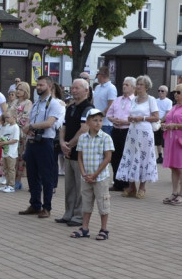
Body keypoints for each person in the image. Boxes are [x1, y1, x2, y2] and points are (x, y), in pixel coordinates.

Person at [17, 76, 64, 219]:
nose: (38, 87)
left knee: (46, 177)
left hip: (45, 142)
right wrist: (28, 129)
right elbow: (32, 121)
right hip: (32, 141)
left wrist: (30, 126)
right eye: (37, 85)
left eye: (41, 85)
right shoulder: (37, 103)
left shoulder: (54, 104)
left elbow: (49, 123)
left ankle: (47, 207)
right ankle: (35, 204)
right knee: (32, 175)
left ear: (49, 86)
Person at [70, 108, 114, 240]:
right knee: (86, 202)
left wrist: (95, 174)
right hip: (87, 177)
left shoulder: (105, 138)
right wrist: (83, 173)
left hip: (100, 177)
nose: (98, 123)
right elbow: (80, 157)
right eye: (95, 120)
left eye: (100, 120)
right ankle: (84, 228)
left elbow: (108, 158)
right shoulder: (83, 138)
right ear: (88, 122)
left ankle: (104, 229)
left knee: (103, 202)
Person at [116, 75, 160, 199]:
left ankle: (142, 187)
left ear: (146, 86)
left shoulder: (151, 99)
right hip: (133, 132)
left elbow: (156, 117)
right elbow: (132, 115)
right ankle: (131, 186)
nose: (138, 86)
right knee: (130, 157)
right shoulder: (134, 99)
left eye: (140, 84)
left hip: (145, 133)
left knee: (143, 157)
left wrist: (142, 118)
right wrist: (130, 119)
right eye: (137, 84)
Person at [58, 78, 94, 225]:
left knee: (80, 187)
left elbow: (84, 129)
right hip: (68, 152)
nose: (73, 91)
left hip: (81, 153)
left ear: (86, 90)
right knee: (69, 186)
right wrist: (62, 143)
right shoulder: (70, 107)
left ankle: (78, 216)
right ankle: (68, 213)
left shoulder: (88, 108)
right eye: (72, 88)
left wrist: (70, 145)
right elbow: (63, 127)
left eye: (77, 88)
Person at [159, 83, 182, 205]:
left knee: (181, 167)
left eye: (178, 92)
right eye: (174, 92)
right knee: (174, 167)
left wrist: (175, 126)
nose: (176, 94)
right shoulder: (175, 106)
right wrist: (165, 125)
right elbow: (169, 119)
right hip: (171, 140)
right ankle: (174, 193)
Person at [106, 77, 136, 192]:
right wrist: (113, 120)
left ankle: (127, 183)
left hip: (127, 131)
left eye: (127, 85)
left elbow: (137, 117)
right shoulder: (117, 99)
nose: (124, 86)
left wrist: (125, 122)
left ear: (133, 87)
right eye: (123, 84)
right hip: (115, 130)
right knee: (114, 157)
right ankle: (117, 182)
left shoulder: (135, 101)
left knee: (127, 157)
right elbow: (109, 114)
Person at [10, 82, 33, 192]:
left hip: (20, 133)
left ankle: (18, 180)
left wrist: (14, 119)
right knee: (10, 156)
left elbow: (25, 117)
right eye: (17, 89)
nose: (18, 91)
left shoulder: (28, 103)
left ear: (26, 91)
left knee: (20, 157)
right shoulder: (14, 101)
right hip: (11, 131)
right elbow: (7, 113)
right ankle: (10, 179)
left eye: (20, 89)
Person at [0, 112, 21, 193]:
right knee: (5, 169)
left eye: (8, 117)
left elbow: (15, 140)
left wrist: (4, 143)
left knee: (11, 169)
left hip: (12, 152)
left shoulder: (15, 127)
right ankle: (7, 184)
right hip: (5, 151)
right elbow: (1, 136)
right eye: (5, 117)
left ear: (13, 117)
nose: (6, 119)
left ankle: (11, 185)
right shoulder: (6, 126)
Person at [92, 66, 117, 135]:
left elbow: (111, 105)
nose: (97, 76)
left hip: (105, 124)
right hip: (94, 121)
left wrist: (101, 115)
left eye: (98, 74)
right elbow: (93, 102)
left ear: (102, 75)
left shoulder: (111, 88)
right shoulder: (97, 87)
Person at [154, 85, 173, 163]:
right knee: (158, 140)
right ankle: (160, 155)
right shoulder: (155, 100)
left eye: (162, 91)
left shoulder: (169, 101)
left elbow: (168, 113)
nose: (160, 92)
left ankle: (166, 157)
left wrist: (161, 121)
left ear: (166, 93)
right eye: (159, 91)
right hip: (156, 121)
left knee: (164, 140)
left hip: (164, 122)